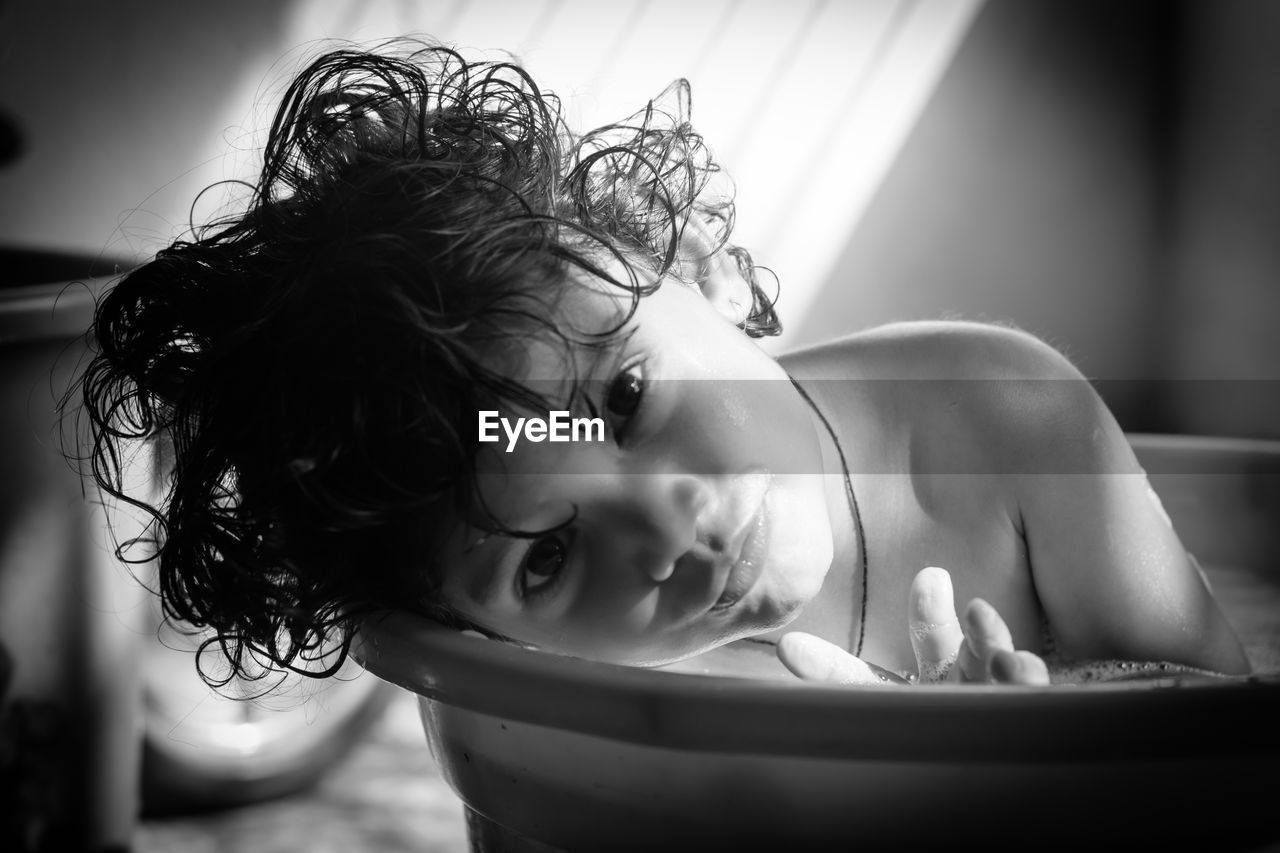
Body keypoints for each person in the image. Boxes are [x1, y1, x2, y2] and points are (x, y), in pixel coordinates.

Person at [77, 39, 1250, 691]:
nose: (664, 532)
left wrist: (1041, 741)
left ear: (700, 270)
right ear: (484, 642)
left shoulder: (995, 419)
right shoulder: (614, 703)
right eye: (546, 560)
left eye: (625, 398)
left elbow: (1228, 731)